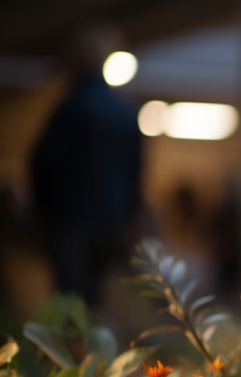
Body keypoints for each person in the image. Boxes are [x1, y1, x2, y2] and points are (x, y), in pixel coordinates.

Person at [30, 25, 143, 308]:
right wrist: (128, 217)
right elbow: (136, 173)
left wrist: (41, 212)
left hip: (70, 222)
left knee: (70, 302)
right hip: (111, 223)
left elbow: (42, 162)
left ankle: (71, 352)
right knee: (95, 302)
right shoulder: (125, 113)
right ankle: (93, 350)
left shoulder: (70, 108)